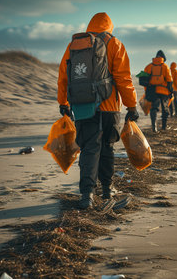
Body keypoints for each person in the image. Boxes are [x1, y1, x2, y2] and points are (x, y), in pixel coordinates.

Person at [57, 12, 139, 209]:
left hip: (82, 106)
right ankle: (106, 190)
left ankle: (87, 195)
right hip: (108, 107)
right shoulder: (114, 43)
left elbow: (63, 76)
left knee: (88, 149)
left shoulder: (74, 45)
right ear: (110, 27)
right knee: (106, 148)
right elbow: (123, 78)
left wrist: (63, 103)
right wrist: (132, 105)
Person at [144, 50, 173, 132]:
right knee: (165, 109)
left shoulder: (148, 66)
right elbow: (169, 80)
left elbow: (143, 80)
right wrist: (171, 92)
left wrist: (147, 91)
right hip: (164, 91)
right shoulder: (165, 66)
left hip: (153, 91)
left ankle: (154, 127)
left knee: (153, 108)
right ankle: (164, 127)